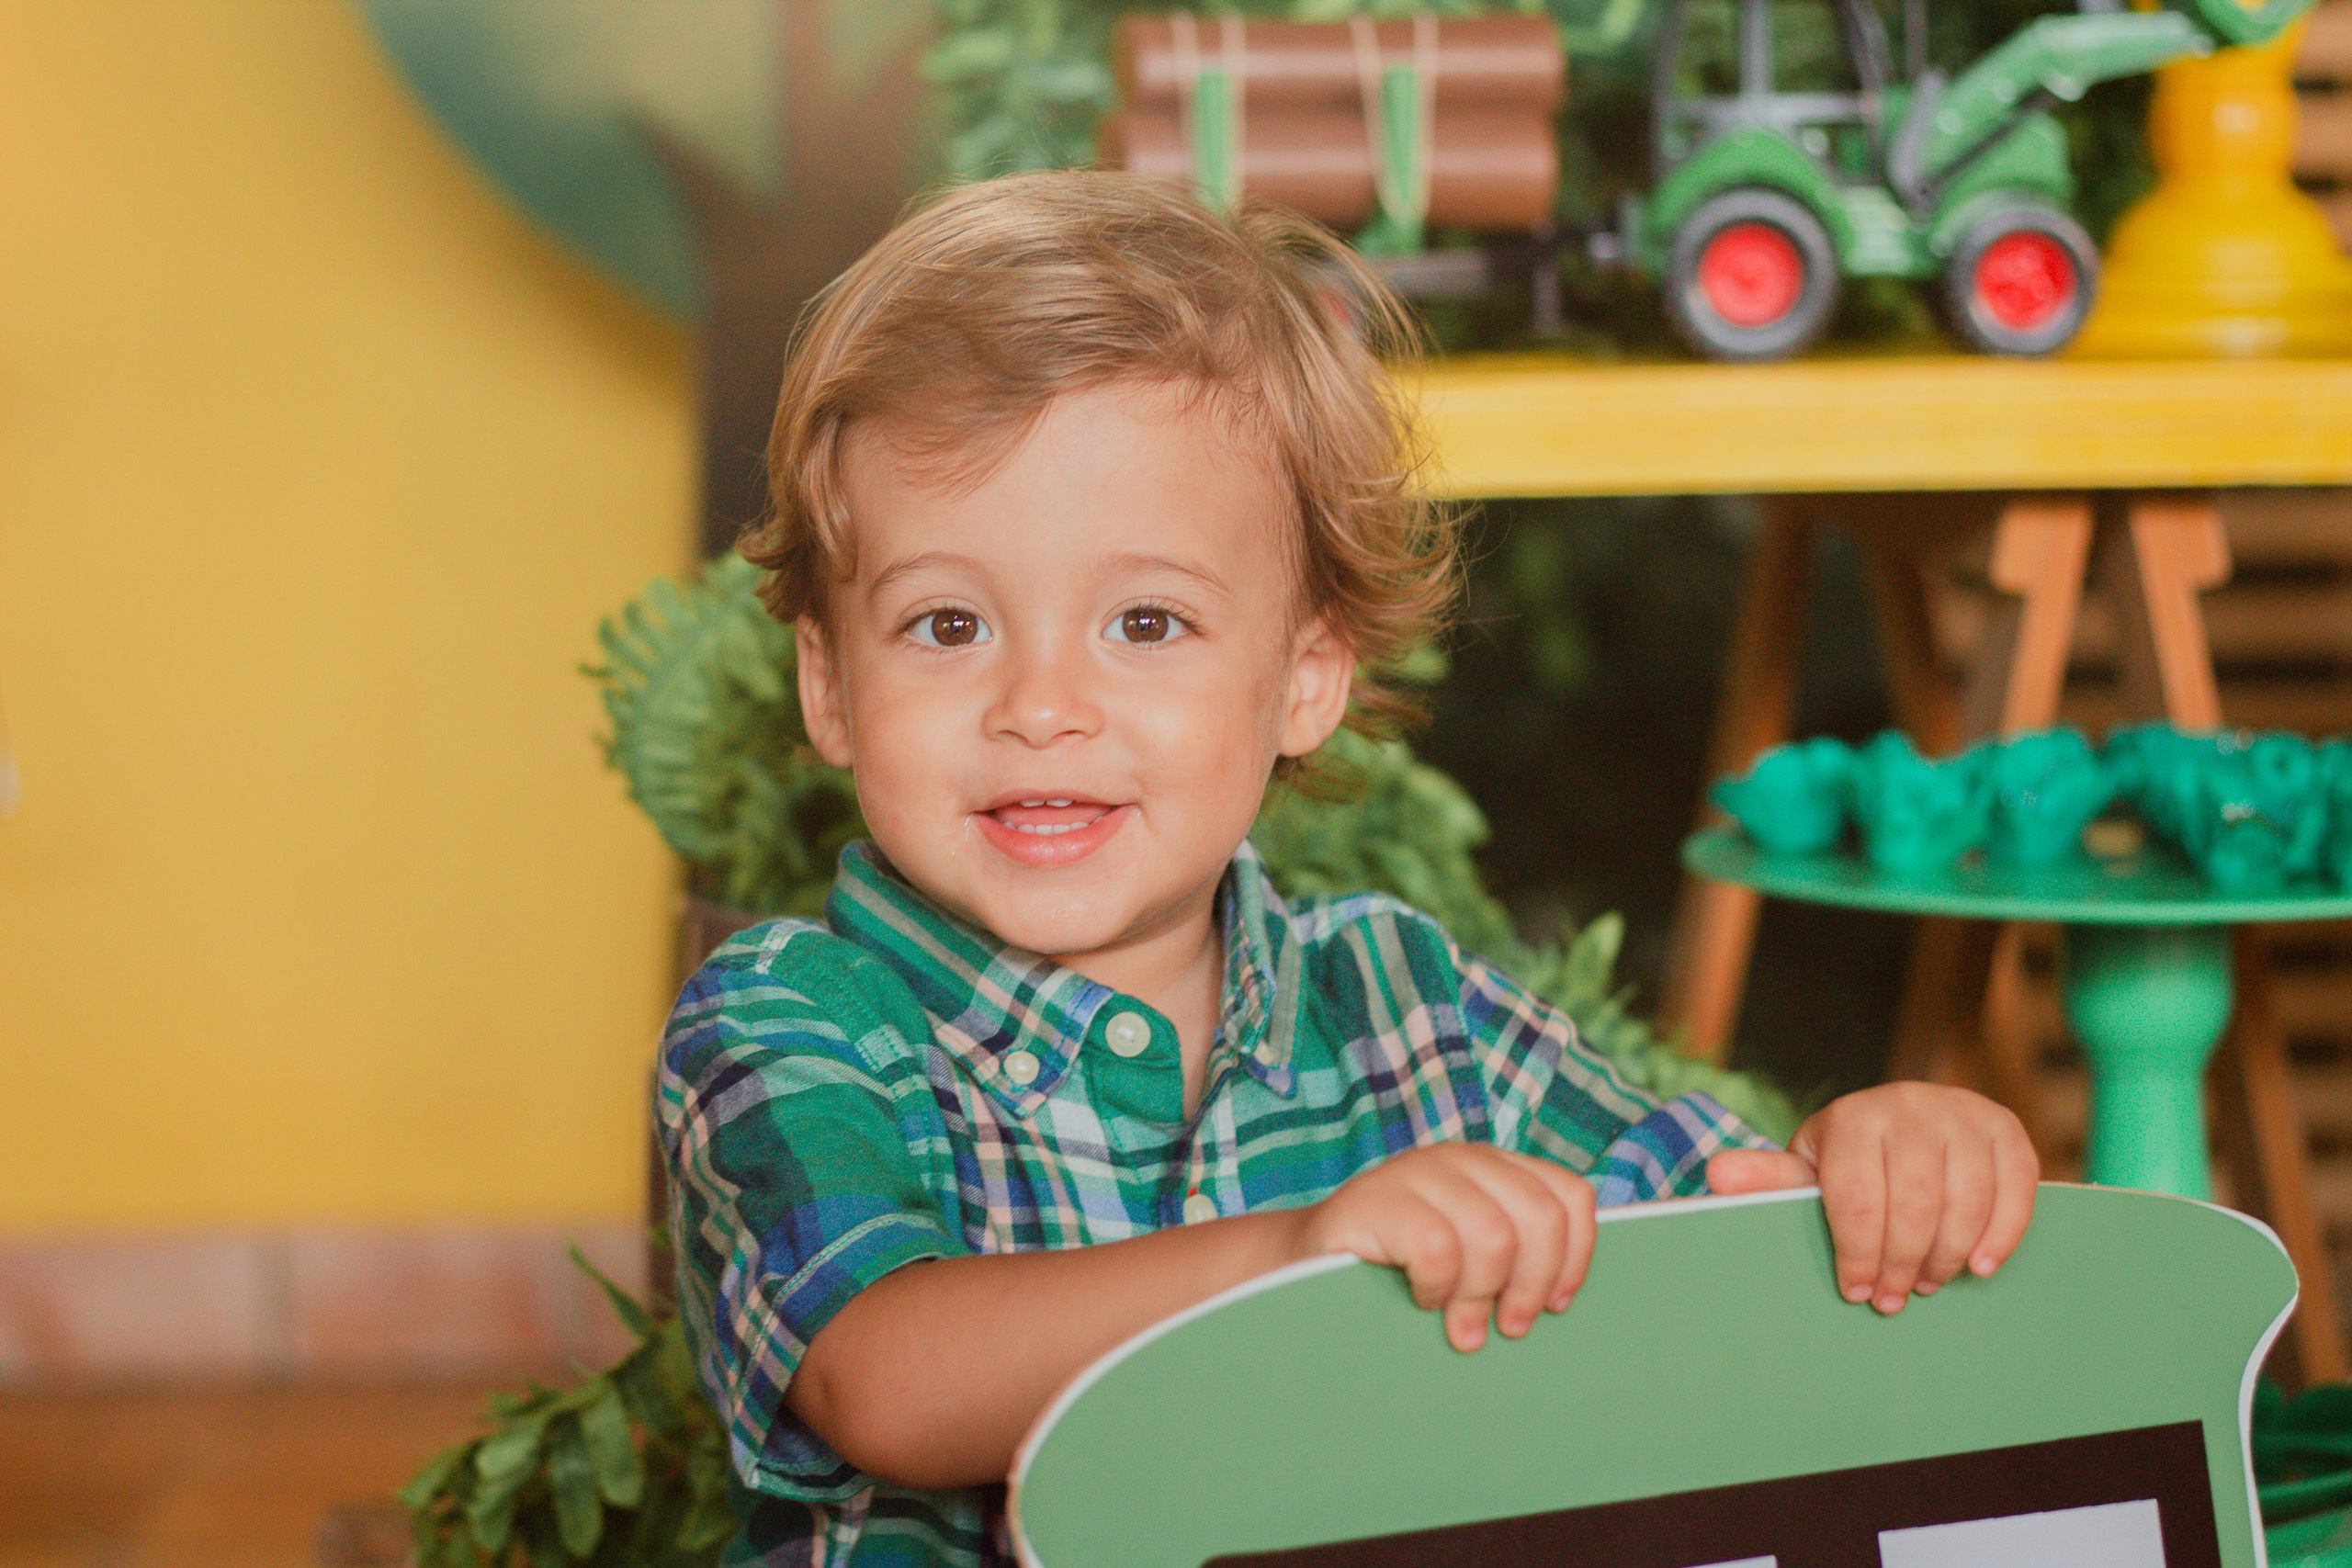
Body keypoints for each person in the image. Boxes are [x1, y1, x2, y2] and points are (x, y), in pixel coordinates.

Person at [657, 170, 2039, 1568]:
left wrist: (1870, 1172)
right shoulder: (789, 1018)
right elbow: (879, 1377)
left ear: (1306, 677)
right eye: (948, 625)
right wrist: (1290, 1261)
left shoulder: (1405, 999)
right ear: (830, 687)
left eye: (1146, 620)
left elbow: (1699, 1236)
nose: (1042, 703)